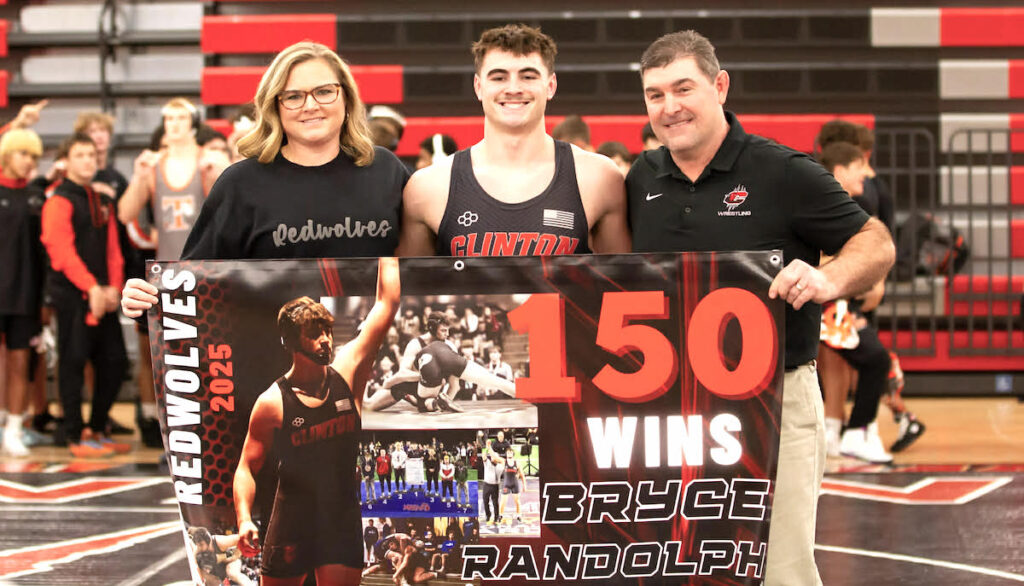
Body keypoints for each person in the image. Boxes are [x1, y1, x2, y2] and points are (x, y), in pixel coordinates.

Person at [626, 31, 895, 586]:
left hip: (775, 399)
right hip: (670, 404)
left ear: (720, 86)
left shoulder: (783, 171)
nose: (670, 107)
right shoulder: (641, 178)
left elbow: (876, 242)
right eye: (655, 95)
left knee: (783, 570)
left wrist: (826, 277)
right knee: (679, 567)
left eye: (684, 88)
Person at [120, 40, 409, 303]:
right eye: (293, 96)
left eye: (324, 92)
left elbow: (429, 267)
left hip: (381, 352)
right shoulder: (241, 184)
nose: (310, 105)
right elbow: (193, 283)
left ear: (346, 98)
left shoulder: (385, 169)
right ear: (275, 107)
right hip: (272, 354)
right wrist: (149, 299)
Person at [396, 24, 630, 257]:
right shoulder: (428, 187)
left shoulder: (599, 178)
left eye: (528, 76)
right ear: (479, 87)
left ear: (551, 86)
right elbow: (410, 291)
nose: (514, 88)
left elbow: (623, 286)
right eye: (499, 77)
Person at [232, 259, 400, 586]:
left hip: (340, 517)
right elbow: (246, 467)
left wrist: (389, 241)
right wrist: (243, 519)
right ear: (292, 343)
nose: (325, 340)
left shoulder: (348, 371)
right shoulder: (272, 402)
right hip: (292, 517)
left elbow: (388, 302)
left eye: (326, 331)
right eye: (314, 334)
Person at [40, 134, 130, 458]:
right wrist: (90, 287)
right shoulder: (58, 200)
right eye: (80, 155)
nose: (88, 161)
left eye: (91, 155)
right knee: (73, 363)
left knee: (115, 362)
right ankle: (75, 434)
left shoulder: (101, 199)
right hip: (72, 296)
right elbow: (60, 251)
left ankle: (97, 426)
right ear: (65, 161)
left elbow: (113, 251)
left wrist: (114, 290)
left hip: (103, 295)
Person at [816, 142, 895, 463]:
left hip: (838, 303)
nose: (865, 174)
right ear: (841, 170)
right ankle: (858, 432)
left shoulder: (845, 205)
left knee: (869, 361)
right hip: (823, 303)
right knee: (875, 360)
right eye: (858, 166)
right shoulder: (822, 204)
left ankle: (838, 433)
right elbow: (817, 257)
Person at [117, 98, 228, 263]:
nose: (174, 124)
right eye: (169, 118)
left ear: (194, 123)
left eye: (182, 118)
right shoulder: (152, 164)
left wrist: (216, 179)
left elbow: (234, 212)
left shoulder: (214, 159)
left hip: (207, 265)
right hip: (167, 265)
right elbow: (125, 216)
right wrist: (139, 177)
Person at [369, 311, 517, 413]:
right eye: (443, 331)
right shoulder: (416, 344)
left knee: (491, 379)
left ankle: (523, 393)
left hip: (427, 388)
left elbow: (455, 384)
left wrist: (444, 404)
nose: (447, 334)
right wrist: (422, 377)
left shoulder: (449, 345)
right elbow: (403, 372)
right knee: (371, 405)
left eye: (448, 330)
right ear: (432, 329)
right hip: (417, 385)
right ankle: (434, 402)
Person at [0, 129, 45, 456]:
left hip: (26, 294)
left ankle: (15, 428)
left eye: (32, 155)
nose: (27, 160)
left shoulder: (38, 198)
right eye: (21, 153)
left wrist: (45, 300)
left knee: (20, 362)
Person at [188, 526, 254, 586]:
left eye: (201, 544)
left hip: (231, 561)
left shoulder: (219, 541)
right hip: (217, 568)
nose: (200, 548)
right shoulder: (198, 550)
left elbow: (242, 539)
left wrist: (232, 556)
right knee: (209, 579)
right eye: (198, 545)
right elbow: (196, 566)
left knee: (232, 572)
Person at [498, 446, 527, 525]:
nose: (509, 454)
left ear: (513, 454)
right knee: (503, 501)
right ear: (506, 454)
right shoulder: (504, 461)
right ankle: (500, 515)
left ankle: (518, 515)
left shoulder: (517, 463)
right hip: (506, 484)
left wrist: (525, 485)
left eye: (510, 452)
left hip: (515, 484)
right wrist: (489, 448)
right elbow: (494, 457)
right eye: (508, 452)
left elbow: (522, 475)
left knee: (517, 501)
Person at [481, 447, 501, 525]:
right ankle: (488, 515)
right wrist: (486, 448)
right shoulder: (487, 463)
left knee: (495, 502)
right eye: (492, 457)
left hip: (495, 485)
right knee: (485, 501)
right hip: (487, 484)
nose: (493, 458)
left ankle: (496, 516)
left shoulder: (500, 465)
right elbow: (484, 456)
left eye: (495, 457)